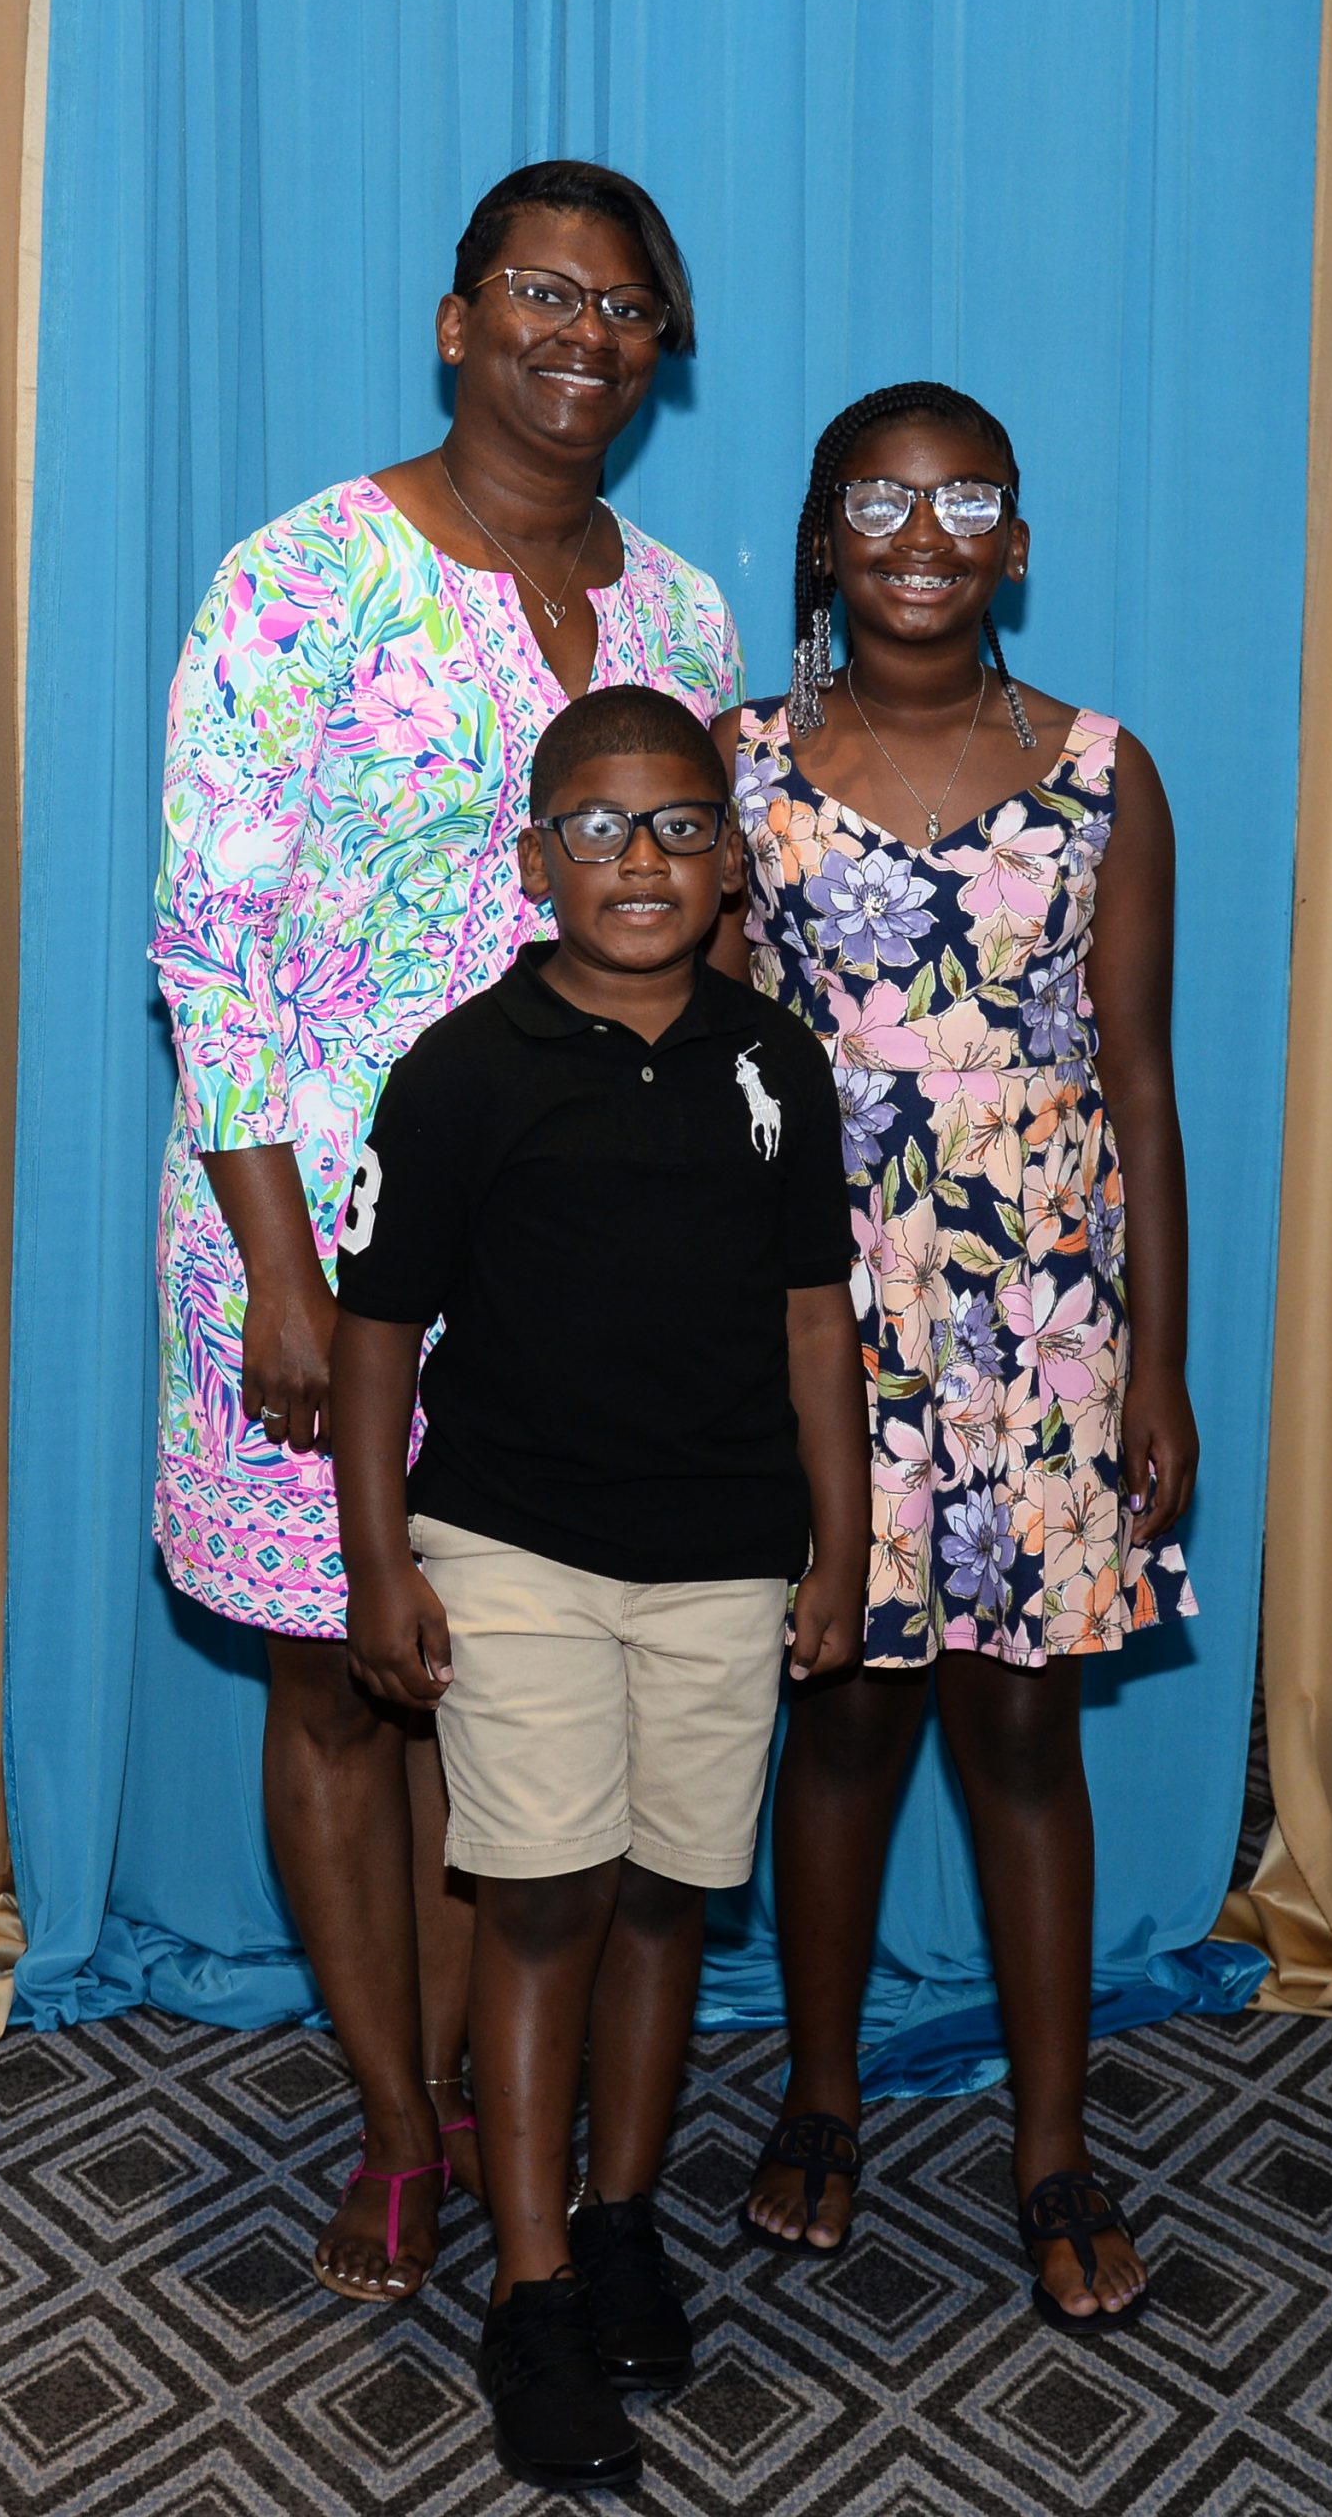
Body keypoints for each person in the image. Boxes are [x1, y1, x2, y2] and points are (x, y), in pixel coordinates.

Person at [149, 161, 741, 2306]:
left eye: (625, 308)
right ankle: (401, 2127)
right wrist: (283, 1274)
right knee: (337, 1676)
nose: (582, 337)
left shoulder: (687, 617)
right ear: (455, 318)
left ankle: (509, 2097)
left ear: (660, 351)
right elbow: (210, 953)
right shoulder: (300, 577)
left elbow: (702, 939)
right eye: (539, 293)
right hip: (306, 1235)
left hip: (572, 1275)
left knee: (512, 1675)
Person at [330, 684, 868, 2491]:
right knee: (547, 1896)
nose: (642, 861)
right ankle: (533, 2286)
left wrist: (843, 1543)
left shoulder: (774, 1063)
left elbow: (815, 1323)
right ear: (535, 857)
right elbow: (381, 1334)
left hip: (723, 1554)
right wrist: (379, 1561)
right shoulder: (463, 1070)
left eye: (682, 828)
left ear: (730, 861)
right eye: (600, 829)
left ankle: (622, 2218)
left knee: (665, 1895)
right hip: (517, 1546)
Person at [711, 382, 1201, 2334]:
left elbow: (1140, 1080)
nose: (923, 536)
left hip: (1042, 1321)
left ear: (1016, 539)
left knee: (1019, 1730)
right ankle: (819, 2099)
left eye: (965, 499)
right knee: (839, 1717)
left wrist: (1157, 1366)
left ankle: (1053, 2142)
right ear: (823, 535)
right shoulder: (744, 767)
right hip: (814, 1316)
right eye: (880, 501)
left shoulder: (1103, 772)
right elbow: (712, 1080)